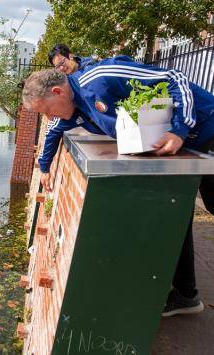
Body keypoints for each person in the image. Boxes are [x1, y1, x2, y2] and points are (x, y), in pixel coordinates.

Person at [22, 57, 214, 317]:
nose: (48, 117)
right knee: (178, 217)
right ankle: (186, 295)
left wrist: (179, 129)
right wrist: (44, 167)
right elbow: (55, 130)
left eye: (46, 109)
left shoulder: (101, 76)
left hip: (204, 128)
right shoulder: (74, 109)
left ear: (58, 91)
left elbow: (174, 78)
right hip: (179, 151)